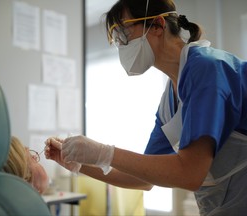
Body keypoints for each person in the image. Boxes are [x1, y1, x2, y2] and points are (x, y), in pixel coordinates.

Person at [44, 0, 247, 215]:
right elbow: (142, 179)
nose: (121, 45)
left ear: (158, 25)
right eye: (116, 39)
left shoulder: (208, 70)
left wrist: (104, 152)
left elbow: (190, 173)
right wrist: (80, 163)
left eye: (124, 33)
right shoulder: (169, 104)